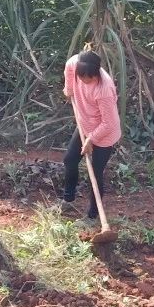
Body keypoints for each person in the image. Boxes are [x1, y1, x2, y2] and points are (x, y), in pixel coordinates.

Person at [61, 50, 121, 218]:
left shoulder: (104, 89)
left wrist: (91, 140)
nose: (85, 81)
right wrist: (69, 88)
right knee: (70, 160)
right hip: (85, 125)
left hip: (105, 134)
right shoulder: (75, 63)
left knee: (95, 173)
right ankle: (68, 201)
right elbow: (69, 68)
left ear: (97, 73)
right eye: (81, 78)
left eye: (89, 78)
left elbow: (109, 123)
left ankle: (93, 215)